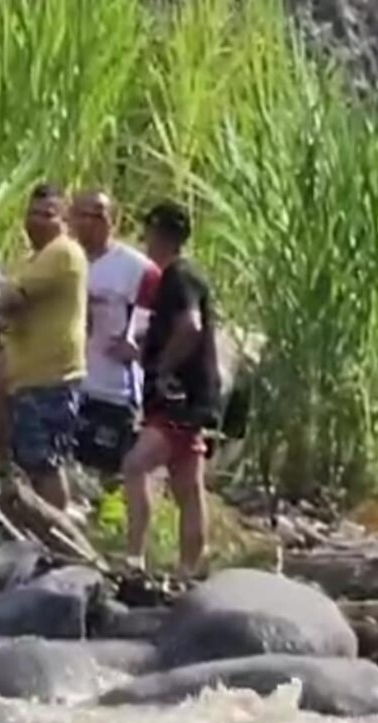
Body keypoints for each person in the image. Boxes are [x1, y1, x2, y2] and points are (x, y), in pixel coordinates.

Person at [121, 201, 221, 578]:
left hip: (178, 397)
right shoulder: (187, 275)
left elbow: (191, 326)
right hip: (196, 398)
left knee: (134, 466)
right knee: (186, 487)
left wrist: (163, 368)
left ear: (157, 234)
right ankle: (188, 569)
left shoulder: (178, 276)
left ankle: (134, 557)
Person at [0, 183, 89, 511]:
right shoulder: (33, 259)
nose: (38, 221)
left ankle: (58, 537)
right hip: (27, 378)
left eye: (48, 215)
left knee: (44, 466)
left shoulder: (62, 252)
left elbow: (12, 299)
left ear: (64, 220)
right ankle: (37, 529)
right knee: (29, 462)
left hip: (50, 378)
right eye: (33, 214)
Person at [70, 189, 161, 476]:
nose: (88, 222)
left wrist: (139, 345)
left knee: (110, 472)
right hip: (65, 381)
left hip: (114, 389)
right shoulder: (62, 259)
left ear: (114, 220)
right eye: (81, 215)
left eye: (97, 215)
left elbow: (161, 317)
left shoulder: (136, 268)